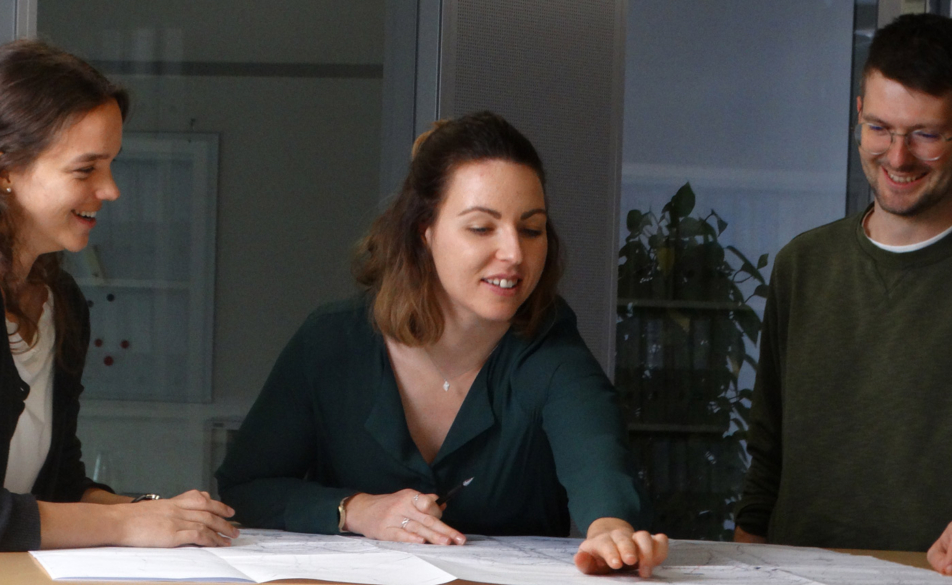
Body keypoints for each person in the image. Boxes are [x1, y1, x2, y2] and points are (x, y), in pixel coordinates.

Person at [217, 111, 668, 577]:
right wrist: (356, 510)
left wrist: (612, 531)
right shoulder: (332, 341)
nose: (514, 253)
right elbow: (246, 488)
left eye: (531, 229)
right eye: (481, 228)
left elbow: (599, 464)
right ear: (424, 231)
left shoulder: (551, 348)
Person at [0, 40, 238, 553]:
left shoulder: (60, 298)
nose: (111, 189)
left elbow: (57, 487)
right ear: (4, 172)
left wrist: (164, 514)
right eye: (85, 169)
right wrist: (126, 525)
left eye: (110, 164)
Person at [734, 13, 952, 572]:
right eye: (880, 128)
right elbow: (767, 451)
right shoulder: (802, 265)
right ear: (858, 115)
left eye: (925, 135)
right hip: (796, 572)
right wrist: (746, 560)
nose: (898, 156)